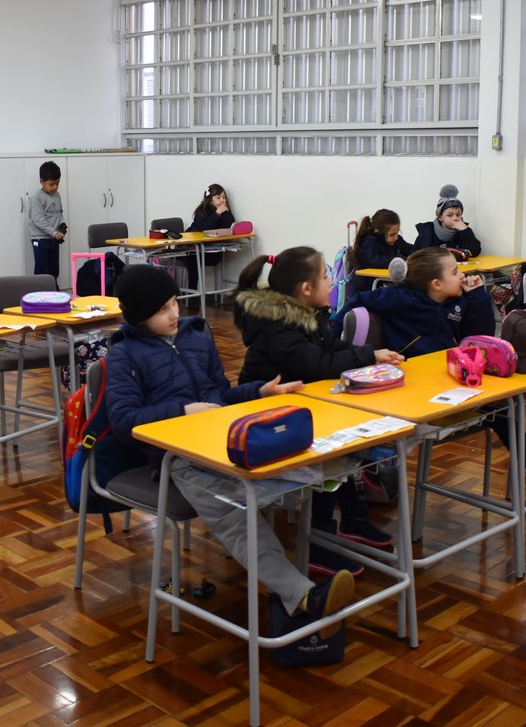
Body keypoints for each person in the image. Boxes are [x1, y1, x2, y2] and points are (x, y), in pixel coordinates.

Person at [104, 265, 354, 635]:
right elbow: (125, 422)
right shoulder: (125, 355)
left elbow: (219, 394)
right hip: (179, 458)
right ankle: (302, 595)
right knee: (235, 513)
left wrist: (259, 392)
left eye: (174, 303)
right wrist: (183, 411)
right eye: (162, 310)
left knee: (304, 464)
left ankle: (316, 538)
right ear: (139, 317)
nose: (174, 314)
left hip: (225, 442)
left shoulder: (196, 336)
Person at [335, 248, 526, 503]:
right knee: (500, 411)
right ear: (436, 284)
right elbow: (356, 301)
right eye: (454, 272)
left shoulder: (457, 302)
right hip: (418, 393)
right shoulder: (399, 298)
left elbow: (479, 337)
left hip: (451, 382)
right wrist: (333, 337)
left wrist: (478, 298)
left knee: (502, 407)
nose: (462, 275)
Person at [234, 246, 406, 576]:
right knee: (329, 454)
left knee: (349, 442)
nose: (331, 282)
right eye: (326, 276)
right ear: (305, 288)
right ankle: (319, 543)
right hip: (267, 417)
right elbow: (318, 365)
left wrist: (371, 354)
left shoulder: (305, 315)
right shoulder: (279, 325)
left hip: (299, 407)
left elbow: (332, 347)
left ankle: (353, 519)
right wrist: (366, 357)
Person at [185, 183, 236, 303]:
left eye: (224, 197)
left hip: (212, 251)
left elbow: (229, 225)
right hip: (192, 247)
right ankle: (192, 297)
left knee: (197, 257)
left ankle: (193, 297)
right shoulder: (201, 211)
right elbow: (205, 228)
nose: (222, 200)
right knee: (194, 258)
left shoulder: (225, 210)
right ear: (210, 199)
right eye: (218, 197)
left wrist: (225, 212)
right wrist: (217, 213)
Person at [349, 208, 413, 293]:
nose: (396, 237)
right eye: (392, 235)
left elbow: (410, 249)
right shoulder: (368, 242)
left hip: (385, 283)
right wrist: (399, 260)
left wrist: (415, 258)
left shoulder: (396, 240)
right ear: (379, 232)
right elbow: (373, 260)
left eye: (397, 233)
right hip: (368, 287)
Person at [413, 184, 482, 257]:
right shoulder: (427, 231)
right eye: (450, 215)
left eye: (458, 214)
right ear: (440, 217)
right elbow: (416, 255)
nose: (455, 218)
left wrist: (465, 230)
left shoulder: (464, 232)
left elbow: (475, 252)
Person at [28, 161, 65, 278]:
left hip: (53, 239)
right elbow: (38, 220)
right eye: (51, 184)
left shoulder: (57, 195)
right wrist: (54, 232)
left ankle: (53, 287)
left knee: (54, 268)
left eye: (57, 183)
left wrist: (62, 225)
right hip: (40, 239)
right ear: (42, 181)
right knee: (42, 269)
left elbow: (59, 213)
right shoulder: (37, 198)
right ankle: (40, 289)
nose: (55, 187)